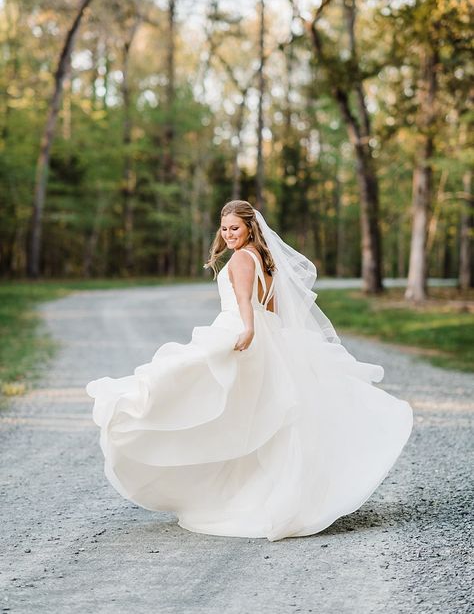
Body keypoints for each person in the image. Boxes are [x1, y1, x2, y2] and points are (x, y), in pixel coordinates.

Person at [86, 200, 413, 541]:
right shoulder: (265, 258)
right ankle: (255, 491)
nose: (228, 235)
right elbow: (272, 305)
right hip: (267, 333)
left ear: (249, 228)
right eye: (224, 228)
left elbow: (245, 301)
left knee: (190, 393)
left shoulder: (243, 258)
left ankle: (134, 415)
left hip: (240, 332)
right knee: (254, 418)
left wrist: (247, 330)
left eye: (234, 228)